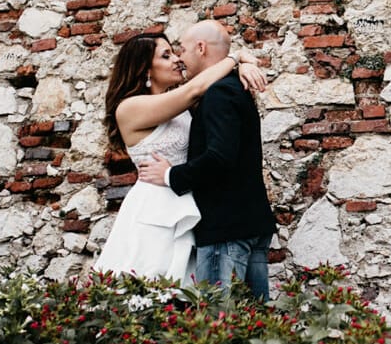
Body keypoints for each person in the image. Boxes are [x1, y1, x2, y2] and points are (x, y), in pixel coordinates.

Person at [92, 31, 264, 283]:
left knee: (189, 295)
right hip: (155, 210)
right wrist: (237, 57)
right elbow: (195, 89)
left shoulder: (179, 105)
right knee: (151, 288)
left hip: (186, 202)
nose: (177, 60)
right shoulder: (129, 108)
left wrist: (247, 65)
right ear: (145, 69)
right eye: (166, 55)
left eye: (175, 52)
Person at [138, 20, 278, 300]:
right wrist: (240, 60)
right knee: (254, 325)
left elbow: (219, 158)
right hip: (249, 222)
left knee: (219, 326)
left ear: (201, 48)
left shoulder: (218, 93)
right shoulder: (233, 87)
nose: (180, 59)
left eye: (182, 50)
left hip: (225, 227)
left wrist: (170, 175)